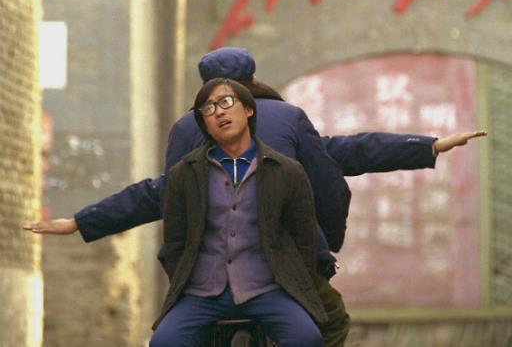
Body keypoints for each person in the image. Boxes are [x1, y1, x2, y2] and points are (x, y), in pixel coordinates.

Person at [25, 47, 487, 346]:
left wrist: (82, 221)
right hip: (282, 270)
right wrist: (323, 248)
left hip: (205, 276)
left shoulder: (186, 128)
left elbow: (158, 195)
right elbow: (337, 165)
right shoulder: (287, 118)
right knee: (331, 323)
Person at [151, 78, 325, 346]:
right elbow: (175, 240)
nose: (219, 112)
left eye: (226, 102)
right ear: (204, 124)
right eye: (208, 109)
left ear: (248, 109)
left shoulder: (286, 170)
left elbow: (304, 237)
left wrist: (292, 280)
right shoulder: (184, 174)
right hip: (202, 292)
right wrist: (188, 280)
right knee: (164, 342)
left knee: (307, 338)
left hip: (269, 288)